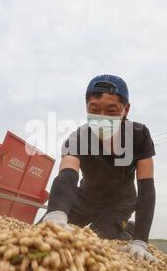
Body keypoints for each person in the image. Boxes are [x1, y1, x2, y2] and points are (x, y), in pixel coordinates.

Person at [41, 74, 157, 261]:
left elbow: (146, 188)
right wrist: (56, 213)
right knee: (45, 233)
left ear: (125, 109)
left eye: (111, 111)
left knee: (96, 240)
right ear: (87, 108)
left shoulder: (139, 135)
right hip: (84, 198)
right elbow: (67, 173)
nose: (101, 118)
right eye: (94, 110)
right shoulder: (79, 138)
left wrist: (141, 240)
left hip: (120, 202)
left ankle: (126, 229)